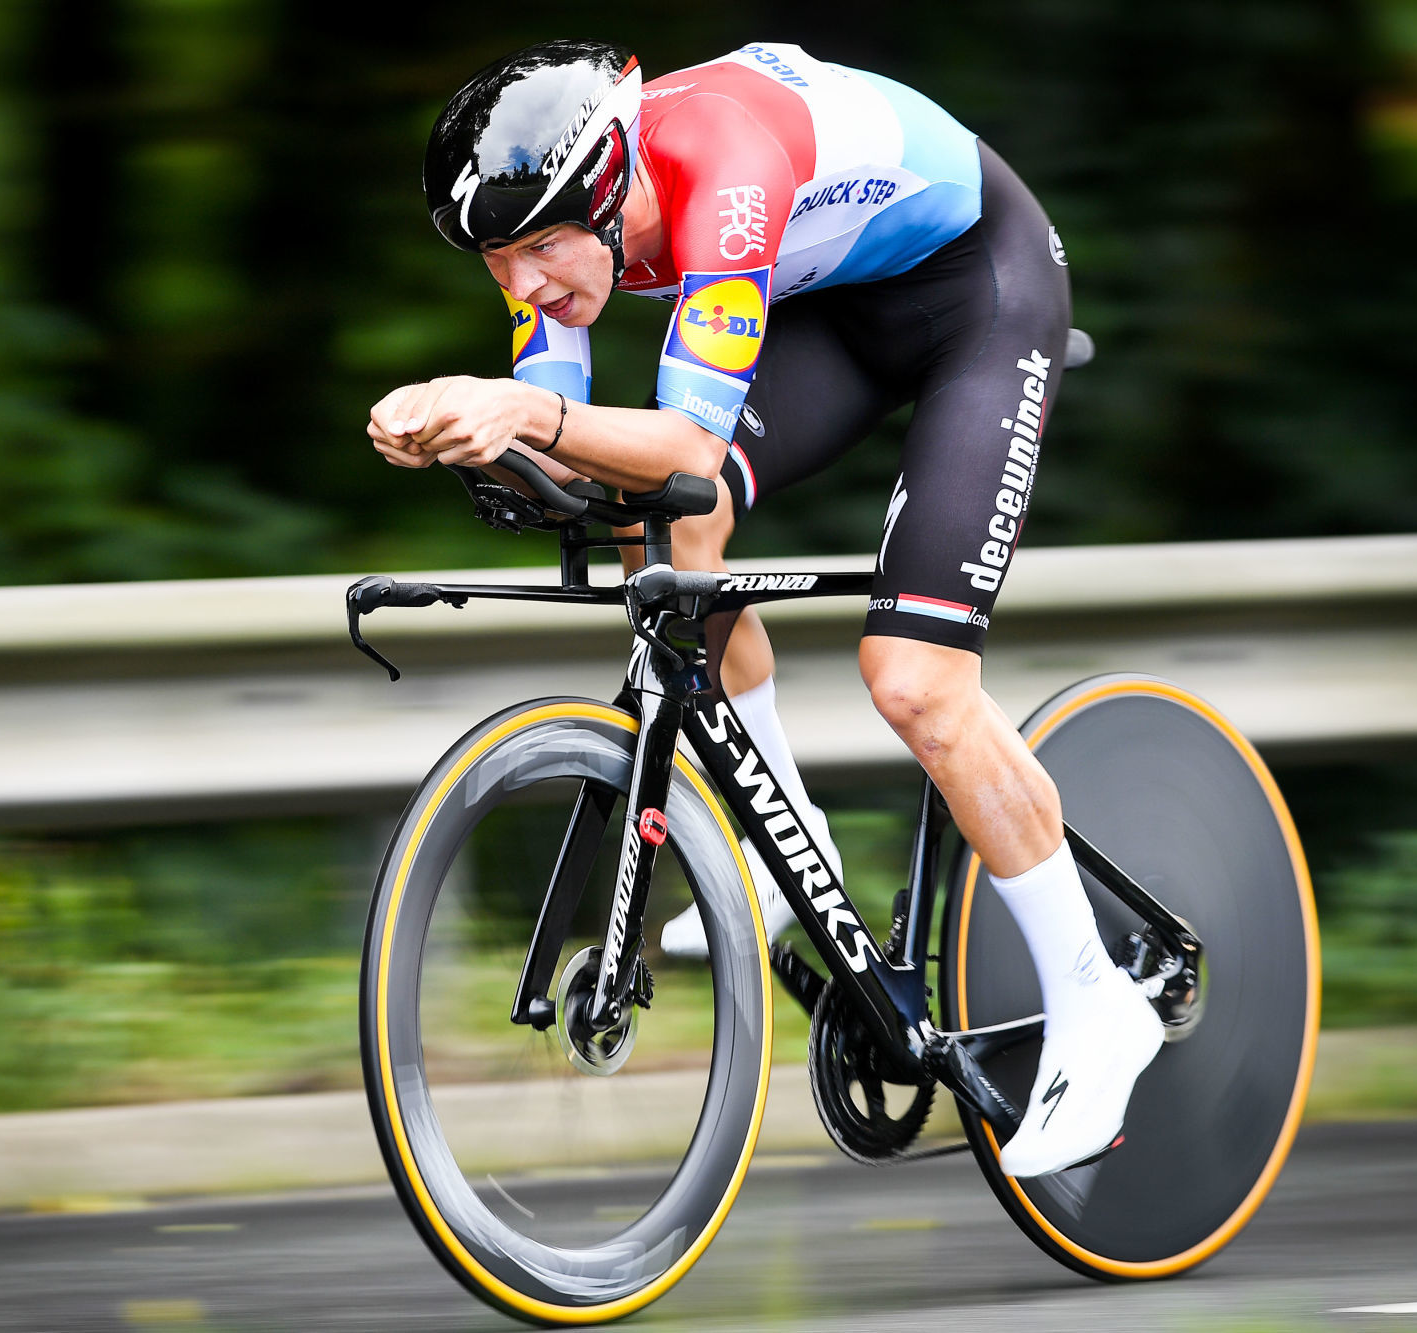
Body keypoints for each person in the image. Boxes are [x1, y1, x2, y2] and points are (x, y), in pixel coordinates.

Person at [365, 39, 1160, 1178]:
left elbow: (668, 438)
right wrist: (446, 430)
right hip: (835, 307)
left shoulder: (722, 163)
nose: (526, 286)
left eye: (540, 250)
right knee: (660, 525)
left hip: (977, 291)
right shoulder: (561, 241)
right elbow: (566, 437)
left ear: (604, 191)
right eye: (499, 264)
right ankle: (785, 832)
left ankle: (1097, 1004)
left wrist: (515, 417)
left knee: (915, 680)